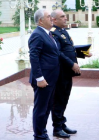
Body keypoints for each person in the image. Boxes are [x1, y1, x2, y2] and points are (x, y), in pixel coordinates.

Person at [50, 9, 90, 138]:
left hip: (67, 72)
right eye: (62, 17)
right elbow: (59, 53)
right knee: (59, 99)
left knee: (64, 99)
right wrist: (72, 64)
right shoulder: (54, 33)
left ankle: (62, 123)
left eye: (65, 16)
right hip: (61, 71)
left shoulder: (63, 31)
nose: (65, 18)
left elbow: (69, 49)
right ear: (54, 20)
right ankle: (57, 127)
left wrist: (83, 53)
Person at [29, 9, 60, 140]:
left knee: (46, 108)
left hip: (51, 79)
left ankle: (42, 131)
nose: (52, 18)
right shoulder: (37, 34)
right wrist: (39, 78)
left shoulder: (47, 33)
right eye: (48, 17)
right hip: (43, 79)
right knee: (41, 108)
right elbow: (34, 57)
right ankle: (39, 135)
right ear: (40, 20)